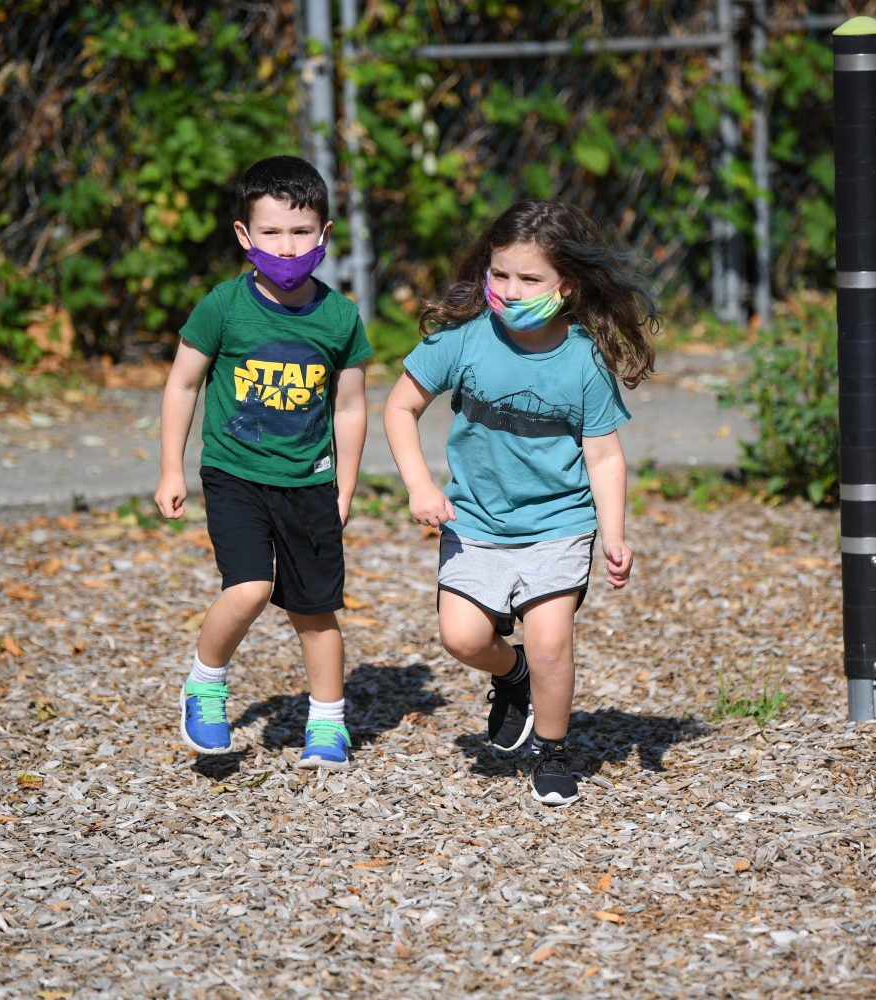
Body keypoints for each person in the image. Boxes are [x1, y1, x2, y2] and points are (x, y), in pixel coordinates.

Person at [383, 199, 659, 806]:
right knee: (461, 638)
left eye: (530, 278)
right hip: (476, 521)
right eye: (501, 273)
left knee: (551, 641)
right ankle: (514, 676)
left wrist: (613, 533)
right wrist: (420, 485)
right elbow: (399, 407)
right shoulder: (464, 339)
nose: (510, 290)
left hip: (559, 523)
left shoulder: (583, 360)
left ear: (566, 286)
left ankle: (552, 752)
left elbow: (604, 456)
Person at [155, 155, 372, 768]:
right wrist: (171, 467)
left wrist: (345, 484)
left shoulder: (339, 317)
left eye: (301, 231)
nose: (287, 246)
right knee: (249, 587)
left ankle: (327, 723)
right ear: (244, 235)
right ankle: (205, 683)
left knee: (315, 610)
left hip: (309, 482)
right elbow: (182, 385)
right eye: (271, 232)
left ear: (325, 233)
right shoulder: (224, 307)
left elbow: (350, 407)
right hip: (235, 474)